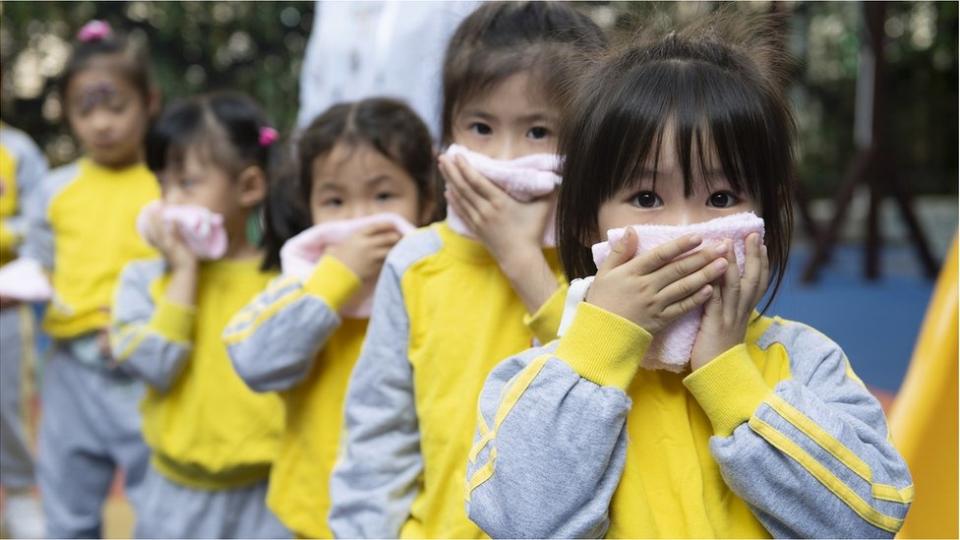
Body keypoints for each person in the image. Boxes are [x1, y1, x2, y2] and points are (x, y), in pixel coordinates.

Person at [463, 15, 914, 538]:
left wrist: (729, 375)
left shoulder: (805, 363)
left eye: (721, 199)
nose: (685, 232)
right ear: (589, 220)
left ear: (765, 217)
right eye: (647, 198)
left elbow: (870, 520)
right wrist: (600, 345)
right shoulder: (538, 379)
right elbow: (521, 523)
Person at [328, 3, 607, 537]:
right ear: (448, 131)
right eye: (481, 127)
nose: (503, 158)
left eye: (538, 132)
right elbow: (378, 435)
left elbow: (604, 398)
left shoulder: (604, 258)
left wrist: (523, 261)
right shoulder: (415, 263)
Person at [225, 97, 439, 538]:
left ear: (426, 202)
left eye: (383, 195)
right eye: (335, 199)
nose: (359, 219)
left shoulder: (439, 288)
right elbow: (254, 362)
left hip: (410, 521)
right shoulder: (300, 282)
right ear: (309, 207)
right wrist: (337, 278)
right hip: (306, 516)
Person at [110, 92, 288, 538]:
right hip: (173, 495)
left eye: (187, 183)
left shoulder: (288, 280)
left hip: (268, 496)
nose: (169, 202)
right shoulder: (143, 278)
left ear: (249, 186)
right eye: (161, 184)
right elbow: (155, 366)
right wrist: (184, 271)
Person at [22, 20, 160, 538]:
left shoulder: (170, 188)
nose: (102, 123)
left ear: (149, 101)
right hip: (69, 372)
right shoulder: (55, 190)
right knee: (65, 505)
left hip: (146, 371)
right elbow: (40, 266)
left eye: (116, 106)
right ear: (69, 114)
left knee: (161, 505)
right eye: (86, 109)